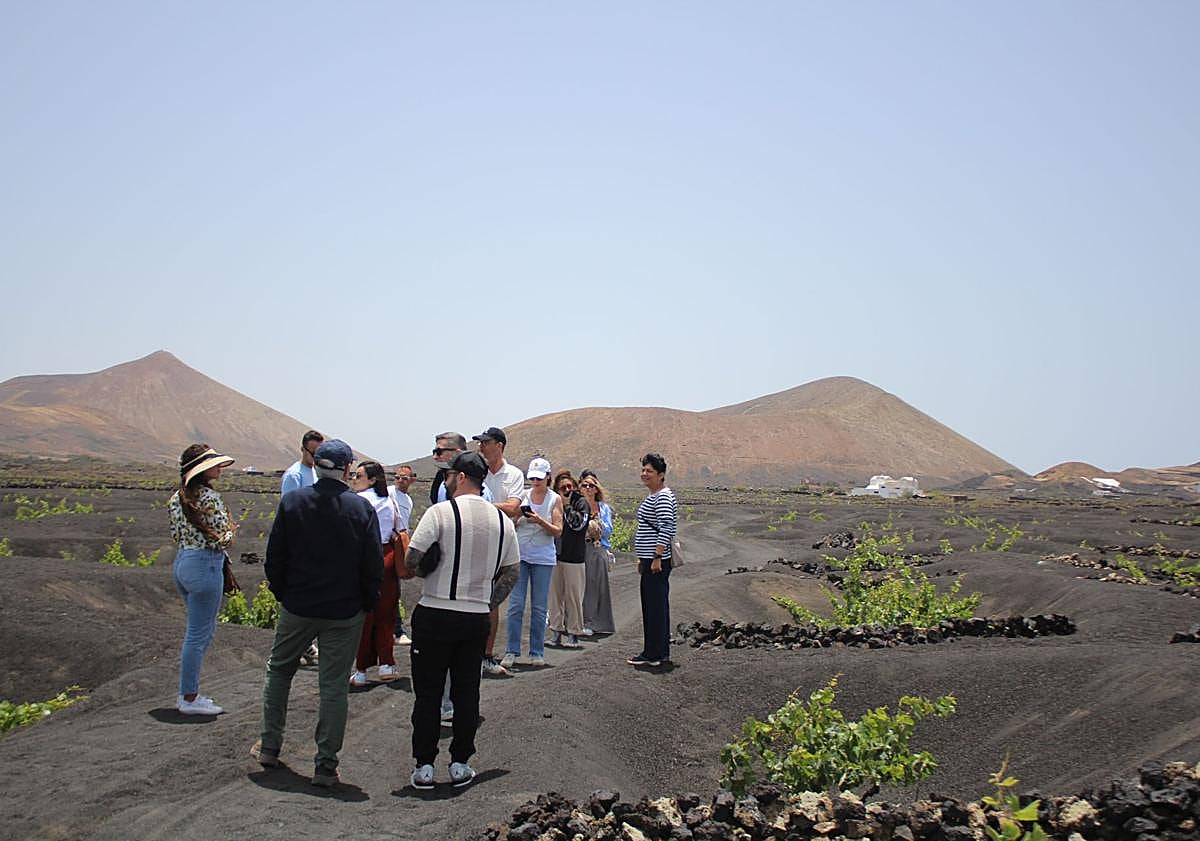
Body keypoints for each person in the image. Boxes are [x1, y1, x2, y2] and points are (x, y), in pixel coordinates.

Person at [252, 439, 383, 787]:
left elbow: (275, 556)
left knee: (279, 671)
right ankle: (325, 765)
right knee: (333, 686)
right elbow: (372, 565)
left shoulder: (294, 501)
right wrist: (367, 602)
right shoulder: (360, 509)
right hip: (344, 611)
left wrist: (284, 594)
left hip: (298, 606)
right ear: (345, 470)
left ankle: (269, 745)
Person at [404, 451, 520, 790]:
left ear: (462, 478)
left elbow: (413, 559)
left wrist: (430, 567)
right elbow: (512, 571)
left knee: (428, 694)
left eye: (449, 474)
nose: (446, 479)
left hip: (435, 612)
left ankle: (424, 766)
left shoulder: (440, 513)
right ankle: (460, 764)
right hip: (474, 619)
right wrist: (486, 603)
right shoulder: (502, 522)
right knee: (467, 693)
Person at [168, 444, 236, 715]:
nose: (220, 467)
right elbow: (223, 535)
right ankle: (189, 696)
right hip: (205, 565)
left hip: (183, 561)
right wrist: (231, 533)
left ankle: (191, 692)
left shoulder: (176, 497)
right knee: (198, 635)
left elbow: (175, 534)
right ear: (202, 469)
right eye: (214, 463)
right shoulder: (210, 498)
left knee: (196, 632)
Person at [473, 427, 525, 675]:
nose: (481, 447)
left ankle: (486, 654)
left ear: (500, 445)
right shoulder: (478, 472)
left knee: (492, 600)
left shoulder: (513, 474)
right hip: (476, 541)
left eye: (485, 442)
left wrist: (480, 505)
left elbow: (514, 508)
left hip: (501, 543)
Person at [500, 457, 562, 669]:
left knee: (539, 606)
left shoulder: (554, 499)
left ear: (548, 477)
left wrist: (540, 521)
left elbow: (557, 530)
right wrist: (521, 520)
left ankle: (536, 651)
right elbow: (513, 521)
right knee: (516, 604)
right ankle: (511, 650)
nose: (535, 482)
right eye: (532, 478)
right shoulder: (523, 497)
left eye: (539, 478)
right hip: (521, 554)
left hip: (543, 557)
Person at [349, 460, 401, 686]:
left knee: (364, 615)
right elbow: (399, 529)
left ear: (371, 479)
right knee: (386, 613)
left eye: (358, 476)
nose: (353, 479)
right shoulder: (389, 500)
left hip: (364, 557)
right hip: (387, 556)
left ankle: (361, 669)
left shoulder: (359, 501)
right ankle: (386, 664)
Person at [629, 453, 677, 668]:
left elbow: (666, 527)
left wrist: (657, 556)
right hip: (649, 560)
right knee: (650, 606)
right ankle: (652, 651)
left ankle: (657, 654)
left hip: (657, 561)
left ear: (661, 475)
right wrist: (644, 558)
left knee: (656, 606)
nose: (644, 474)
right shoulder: (653, 496)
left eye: (649, 471)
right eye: (643, 470)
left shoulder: (663, 497)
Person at [547, 470, 590, 649]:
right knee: (555, 596)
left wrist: (567, 507)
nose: (566, 490)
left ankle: (573, 633)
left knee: (573, 597)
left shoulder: (581, 504)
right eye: (562, 487)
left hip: (574, 557)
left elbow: (578, 525)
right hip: (556, 555)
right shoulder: (552, 503)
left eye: (569, 486)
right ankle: (556, 631)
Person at [579, 472, 616, 636]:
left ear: (596, 489)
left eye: (591, 485)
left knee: (596, 587)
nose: (587, 488)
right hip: (579, 549)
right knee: (579, 586)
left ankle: (595, 622)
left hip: (598, 548)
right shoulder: (577, 505)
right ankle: (577, 620)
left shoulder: (603, 508)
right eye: (584, 485)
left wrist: (597, 523)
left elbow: (608, 530)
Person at [430, 432, 493, 504]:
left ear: (457, 453)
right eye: (434, 452)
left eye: (439, 452)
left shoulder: (478, 489)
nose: (435, 457)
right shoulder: (440, 482)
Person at [390, 465, 415, 645]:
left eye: (404, 478)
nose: (399, 481)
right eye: (397, 477)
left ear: (411, 480)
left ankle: (397, 629)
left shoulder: (408, 500)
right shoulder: (389, 493)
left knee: (396, 589)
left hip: (400, 544)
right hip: (389, 542)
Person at [280, 430, 325, 496]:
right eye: (313, 453)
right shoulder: (294, 475)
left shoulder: (317, 472)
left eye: (319, 453)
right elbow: (289, 504)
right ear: (302, 449)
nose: (316, 457)